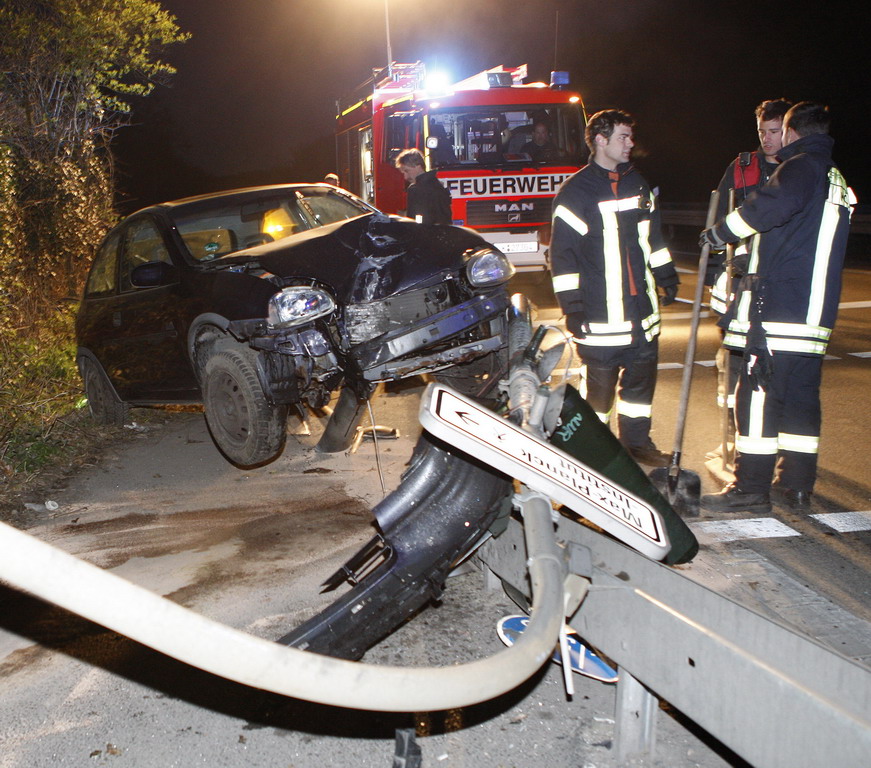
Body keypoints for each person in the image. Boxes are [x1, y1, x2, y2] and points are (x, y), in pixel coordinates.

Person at [699, 102, 854, 512]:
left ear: (790, 131)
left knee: (759, 397)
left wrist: (720, 232)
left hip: (780, 311)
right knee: (801, 402)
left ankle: (750, 490)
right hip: (814, 314)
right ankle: (797, 485)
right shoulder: (835, 176)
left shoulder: (801, 167)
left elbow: (767, 208)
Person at [549, 109, 679, 467]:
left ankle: (637, 445)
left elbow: (652, 237)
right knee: (599, 398)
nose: (630, 144)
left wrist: (666, 275)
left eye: (631, 137)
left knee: (639, 392)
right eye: (623, 137)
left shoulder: (637, 182)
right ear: (601, 141)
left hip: (642, 316)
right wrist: (572, 307)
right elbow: (563, 257)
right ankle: (598, 454)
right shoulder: (576, 192)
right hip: (601, 317)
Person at [705, 98, 792, 460]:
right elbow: (721, 219)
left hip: (781, 277)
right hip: (739, 274)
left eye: (774, 132)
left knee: (779, 356)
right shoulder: (741, 168)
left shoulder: (798, 169)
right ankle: (733, 428)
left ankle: (773, 430)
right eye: (762, 132)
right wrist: (714, 273)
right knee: (734, 353)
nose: (767, 139)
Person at [394, 148, 453, 224]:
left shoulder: (415, 189)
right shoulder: (438, 185)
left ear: (418, 166)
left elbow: (415, 222)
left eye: (407, 171)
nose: (405, 177)